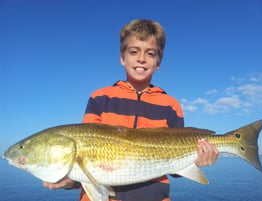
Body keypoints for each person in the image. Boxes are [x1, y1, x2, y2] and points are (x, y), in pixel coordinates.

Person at [43, 19, 219, 201]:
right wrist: (69, 181)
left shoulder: (171, 105)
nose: (141, 59)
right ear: (122, 58)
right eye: (134, 51)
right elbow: (89, 161)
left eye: (150, 54)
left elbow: (175, 170)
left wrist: (198, 159)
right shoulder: (100, 98)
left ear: (158, 62)